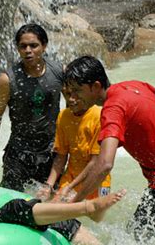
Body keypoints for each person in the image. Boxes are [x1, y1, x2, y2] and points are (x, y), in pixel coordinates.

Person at [61, 56, 155, 242]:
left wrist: (75, 204)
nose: (73, 97)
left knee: (135, 242)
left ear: (96, 86)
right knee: (140, 236)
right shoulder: (132, 85)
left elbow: (105, 164)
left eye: (78, 90)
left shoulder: (112, 110)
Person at [0, 24, 64, 191]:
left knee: (52, 205)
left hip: (51, 151)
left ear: (44, 46)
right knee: (12, 203)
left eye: (34, 45)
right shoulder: (7, 79)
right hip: (18, 153)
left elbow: (76, 106)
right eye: (23, 46)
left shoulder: (58, 71)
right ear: (17, 49)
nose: (28, 50)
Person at [36, 84, 111, 219]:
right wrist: (48, 185)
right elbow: (60, 157)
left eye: (75, 94)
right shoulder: (63, 116)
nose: (71, 99)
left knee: (95, 220)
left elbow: (95, 162)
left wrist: (69, 187)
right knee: (52, 211)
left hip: (96, 180)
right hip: (70, 177)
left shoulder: (99, 115)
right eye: (66, 94)